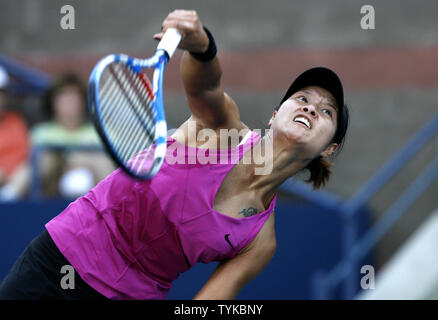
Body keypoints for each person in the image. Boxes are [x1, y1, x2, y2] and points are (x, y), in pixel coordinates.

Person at [0, 10, 349, 299]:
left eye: (327, 111)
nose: (311, 108)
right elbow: (205, 86)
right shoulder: (222, 131)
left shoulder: (260, 240)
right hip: (61, 260)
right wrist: (201, 47)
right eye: (302, 98)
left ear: (329, 148)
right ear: (276, 113)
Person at [31, 73, 114, 198]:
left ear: (83, 102)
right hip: (49, 193)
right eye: (63, 97)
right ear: (53, 102)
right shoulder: (40, 133)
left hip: (93, 190)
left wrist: (83, 161)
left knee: (87, 172)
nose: (69, 102)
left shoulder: (100, 133)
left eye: (74, 97)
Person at [0, 65, 30, 201]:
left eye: (1, 93)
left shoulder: (15, 121)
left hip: (12, 183)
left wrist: (4, 172)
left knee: (27, 171)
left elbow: (22, 155)